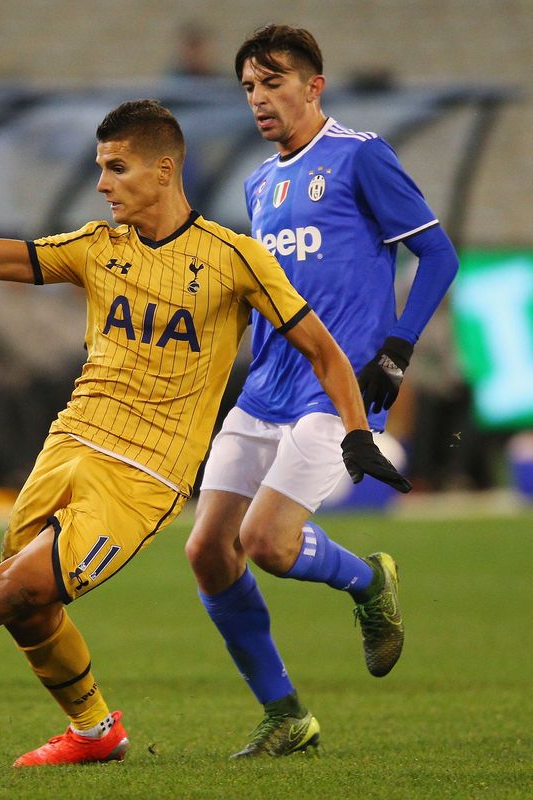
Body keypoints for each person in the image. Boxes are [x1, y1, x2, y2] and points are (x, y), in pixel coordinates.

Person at [0, 99, 408, 766]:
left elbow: (322, 349)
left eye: (117, 168)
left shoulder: (234, 259)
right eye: (99, 168)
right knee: (28, 608)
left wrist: (355, 432)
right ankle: (94, 730)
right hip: (67, 446)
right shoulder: (95, 247)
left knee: (4, 592)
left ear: (164, 169)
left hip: (142, 475)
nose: (103, 183)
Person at [184, 24, 459, 758]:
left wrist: (397, 350)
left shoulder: (360, 156)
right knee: (208, 552)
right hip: (265, 387)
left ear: (314, 85)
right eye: (248, 87)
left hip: (335, 394)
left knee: (266, 543)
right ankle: (285, 716)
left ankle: (369, 580)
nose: (258, 99)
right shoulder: (258, 182)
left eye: (273, 83)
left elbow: (437, 254)